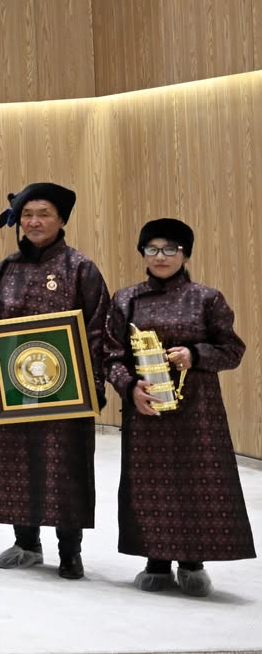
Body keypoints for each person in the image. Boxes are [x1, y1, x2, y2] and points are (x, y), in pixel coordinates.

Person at [102, 218, 252, 596]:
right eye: (152, 249)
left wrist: (195, 354)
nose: (161, 256)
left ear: (185, 254)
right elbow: (111, 356)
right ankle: (155, 562)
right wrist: (130, 388)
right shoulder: (126, 299)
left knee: (196, 481)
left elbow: (232, 351)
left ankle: (192, 562)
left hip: (197, 410)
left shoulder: (207, 298)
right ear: (142, 253)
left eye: (170, 249)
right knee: (148, 483)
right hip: (146, 408)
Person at [0, 182, 110, 580]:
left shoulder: (80, 267)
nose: (34, 222)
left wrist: (93, 386)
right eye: (28, 215)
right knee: (17, 462)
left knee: (63, 467)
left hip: (65, 390)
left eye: (44, 214)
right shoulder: (6, 268)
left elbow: (98, 329)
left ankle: (70, 551)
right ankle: (26, 543)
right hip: (14, 387)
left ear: (62, 220)